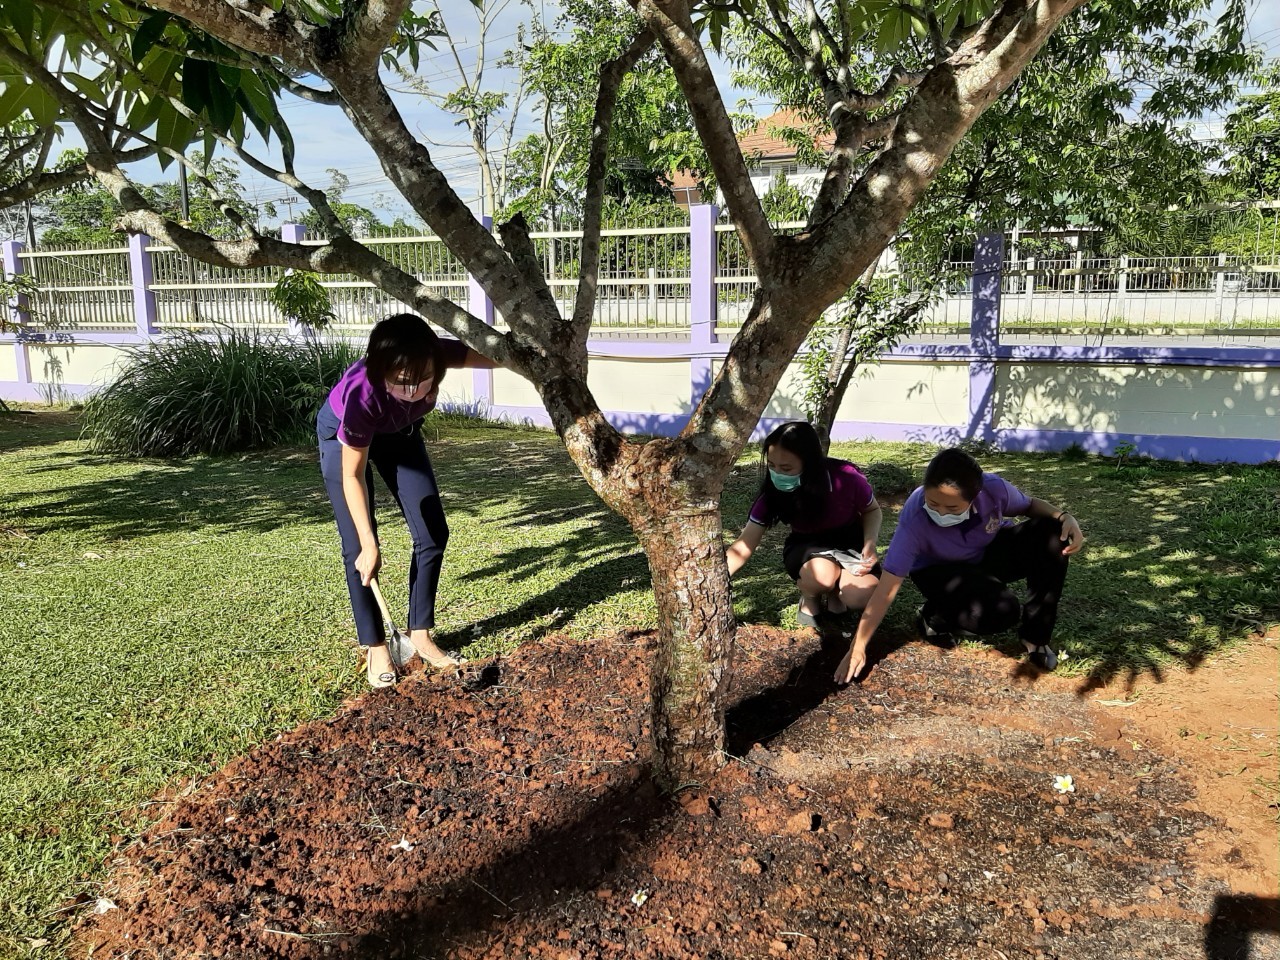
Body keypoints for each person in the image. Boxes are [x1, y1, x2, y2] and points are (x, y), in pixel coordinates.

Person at [317, 312, 495, 688]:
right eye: (401, 381)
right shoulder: (363, 394)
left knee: (433, 532)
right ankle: (376, 646)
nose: (413, 390)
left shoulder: (431, 354)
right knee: (358, 546)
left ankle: (420, 634)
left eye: (422, 379)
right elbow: (352, 475)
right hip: (344, 435)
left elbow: (499, 355)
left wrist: (540, 361)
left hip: (400, 432)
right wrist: (370, 542)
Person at [834, 446, 1085, 684]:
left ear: (975, 496)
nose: (941, 513)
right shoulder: (914, 519)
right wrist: (858, 646)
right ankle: (933, 616)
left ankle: (1035, 638)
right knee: (1001, 613)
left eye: (952, 507)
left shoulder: (994, 489)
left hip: (984, 553)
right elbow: (886, 589)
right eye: (933, 503)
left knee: (1053, 535)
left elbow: (1029, 505)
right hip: (938, 570)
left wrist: (1064, 517)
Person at [726, 421, 883, 627]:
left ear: (809, 463)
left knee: (860, 596)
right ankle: (810, 597)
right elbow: (744, 545)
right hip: (806, 545)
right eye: (771, 466)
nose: (777, 474)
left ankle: (835, 594)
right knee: (821, 576)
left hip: (850, 542)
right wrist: (717, 577)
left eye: (786, 468)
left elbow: (872, 510)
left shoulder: (846, 478)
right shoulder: (771, 495)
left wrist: (869, 544)